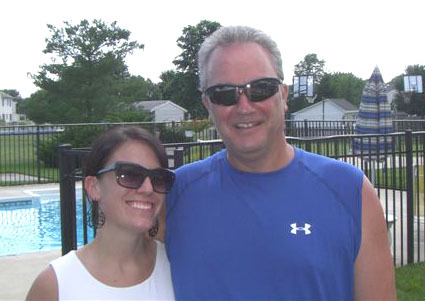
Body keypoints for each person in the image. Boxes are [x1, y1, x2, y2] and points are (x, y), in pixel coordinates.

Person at [165, 26, 396, 300]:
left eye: (260, 89)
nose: (244, 106)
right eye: (225, 93)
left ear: (283, 95)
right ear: (207, 104)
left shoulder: (351, 191)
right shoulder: (173, 194)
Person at [27, 126, 175, 300]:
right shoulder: (56, 285)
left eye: (158, 178)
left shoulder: (177, 265)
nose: (148, 188)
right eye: (130, 174)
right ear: (94, 187)